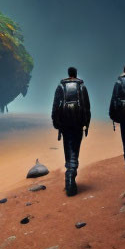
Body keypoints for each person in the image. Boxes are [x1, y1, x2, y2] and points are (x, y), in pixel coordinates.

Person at [51, 66, 91, 196]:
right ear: (76, 74)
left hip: (64, 125)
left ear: (68, 74)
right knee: (75, 150)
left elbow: (55, 107)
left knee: (68, 150)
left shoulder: (61, 87)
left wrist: (56, 124)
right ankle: (70, 177)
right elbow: (87, 108)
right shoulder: (82, 87)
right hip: (78, 125)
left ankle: (69, 177)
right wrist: (86, 124)